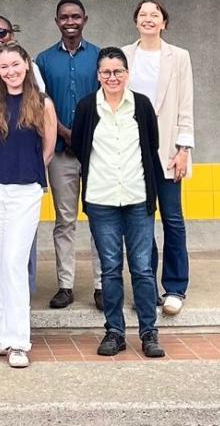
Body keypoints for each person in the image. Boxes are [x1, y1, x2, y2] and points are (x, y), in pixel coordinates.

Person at [70, 46, 165, 359]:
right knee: (110, 269)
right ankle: (114, 332)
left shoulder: (141, 105)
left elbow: (151, 145)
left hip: (137, 198)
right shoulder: (87, 107)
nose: (112, 77)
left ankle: (149, 332)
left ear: (127, 74)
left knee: (142, 268)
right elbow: (80, 146)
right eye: (106, 72)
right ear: (98, 76)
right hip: (101, 200)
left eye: (118, 72)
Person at [0, 43, 57, 368]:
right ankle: (3, 337)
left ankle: (20, 341)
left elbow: (48, 150)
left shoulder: (42, 102)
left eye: (15, 64)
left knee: (14, 261)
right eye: (3, 67)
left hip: (26, 190)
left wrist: (25, 171)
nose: (10, 71)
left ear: (26, 64)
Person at [123, 0, 194, 316]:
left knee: (172, 218)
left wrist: (183, 149)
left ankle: (175, 287)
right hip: (132, 151)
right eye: (143, 15)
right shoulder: (124, 55)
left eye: (155, 15)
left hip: (168, 152)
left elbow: (185, 105)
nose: (148, 19)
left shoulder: (179, 57)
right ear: (136, 21)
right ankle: (146, 287)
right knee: (141, 221)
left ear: (164, 22)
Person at [35, 0, 103, 310]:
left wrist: (85, 135)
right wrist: (64, 132)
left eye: (76, 16)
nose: (70, 22)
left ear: (85, 20)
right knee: (65, 220)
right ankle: (65, 285)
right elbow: (41, 104)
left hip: (97, 153)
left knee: (100, 218)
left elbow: (107, 99)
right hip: (61, 153)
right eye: (64, 17)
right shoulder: (44, 60)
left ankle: (103, 285)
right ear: (57, 22)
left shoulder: (100, 56)